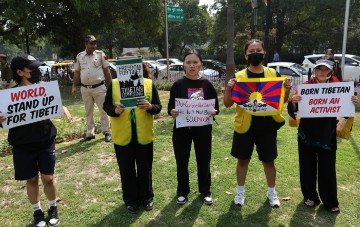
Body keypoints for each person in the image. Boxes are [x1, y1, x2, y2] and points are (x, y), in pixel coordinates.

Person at [0, 54, 73, 227]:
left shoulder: (45, 89)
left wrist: (61, 106)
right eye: (32, 68)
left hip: (45, 140)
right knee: (31, 180)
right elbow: (4, 121)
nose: (37, 71)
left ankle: (53, 208)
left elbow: (53, 105)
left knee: (48, 178)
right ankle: (37, 212)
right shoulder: (9, 96)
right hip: (22, 144)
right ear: (20, 72)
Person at [223, 39, 292, 208]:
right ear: (246, 55)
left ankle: (272, 192)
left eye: (258, 50)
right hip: (244, 126)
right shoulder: (238, 77)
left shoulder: (273, 75)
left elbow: (280, 102)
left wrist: (288, 90)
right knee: (242, 161)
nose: (255, 53)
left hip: (267, 126)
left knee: (269, 161)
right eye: (251, 50)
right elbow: (227, 104)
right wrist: (228, 88)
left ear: (264, 53)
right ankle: (240, 192)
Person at [288, 59, 358, 213]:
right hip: (307, 134)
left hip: (327, 134)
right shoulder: (305, 87)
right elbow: (295, 110)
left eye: (325, 69)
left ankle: (330, 201)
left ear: (330, 72)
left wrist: (352, 102)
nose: (321, 72)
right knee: (307, 167)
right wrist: (294, 102)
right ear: (315, 71)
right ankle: (310, 196)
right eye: (318, 69)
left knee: (327, 169)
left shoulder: (339, 88)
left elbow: (346, 112)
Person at [103, 61, 162, 214]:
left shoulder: (149, 84)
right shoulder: (114, 84)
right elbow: (106, 106)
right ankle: (130, 200)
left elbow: (158, 107)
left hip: (144, 135)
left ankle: (147, 198)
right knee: (126, 170)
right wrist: (115, 110)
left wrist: (150, 107)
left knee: (145, 168)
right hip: (123, 136)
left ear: (139, 68)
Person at [168, 50, 219, 205]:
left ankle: (205, 191)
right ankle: (182, 191)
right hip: (182, 130)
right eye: (188, 62)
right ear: (184, 64)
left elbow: (215, 106)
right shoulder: (177, 85)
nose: (191, 65)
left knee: (203, 160)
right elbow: (170, 107)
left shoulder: (207, 85)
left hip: (202, 130)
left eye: (195, 62)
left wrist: (214, 111)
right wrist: (172, 111)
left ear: (200, 64)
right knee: (182, 161)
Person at [72, 35, 112, 142]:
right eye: (91, 43)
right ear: (86, 44)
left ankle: (107, 132)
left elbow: (107, 70)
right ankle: (90, 133)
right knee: (88, 111)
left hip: (99, 87)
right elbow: (77, 72)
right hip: (85, 88)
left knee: (103, 110)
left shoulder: (100, 54)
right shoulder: (80, 56)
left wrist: (111, 85)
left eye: (95, 43)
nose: (94, 45)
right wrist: (74, 86)